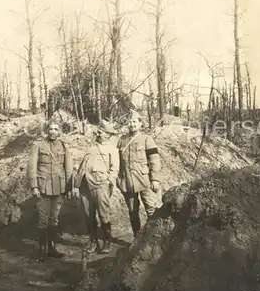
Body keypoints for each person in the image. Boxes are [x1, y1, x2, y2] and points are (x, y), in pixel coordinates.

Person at [27, 122, 73, 261]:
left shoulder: (64, 146)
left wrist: (69, 188)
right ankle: (42, 250)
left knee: (54, 219)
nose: (53, 131)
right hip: (43, 188)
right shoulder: (38, 145)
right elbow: (32, 167)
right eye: (50, 129)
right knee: (43, 220)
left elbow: (68, 168)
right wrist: (34, 186)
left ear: (59, 131)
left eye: (56, 129)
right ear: (46, 130)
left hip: (59, 188)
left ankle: (52, 248)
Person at [74, 120, 119, 254]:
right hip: (85, 184)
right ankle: (92, 241)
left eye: (101, 132)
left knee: (103, 213)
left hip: (100, 184)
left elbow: (115, 169)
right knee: (89, 214)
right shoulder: (91, 147)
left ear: (108, 135)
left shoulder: (112, 149)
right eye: (99, 131)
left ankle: (107, 241)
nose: (98, 133)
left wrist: (108, 181)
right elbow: (83, 165)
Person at [116, 110, 161, 238]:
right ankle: (137, 238)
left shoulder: (147, 139)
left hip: (144, 180)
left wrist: (155, 179)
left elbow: (154, 160)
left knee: (151, 209)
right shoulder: (122, 140)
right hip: (127, 181)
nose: (131, 124)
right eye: (129, 122)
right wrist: (118, 180)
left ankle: (154, 238)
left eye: (134, 122)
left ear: (140, 124)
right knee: (132, 211)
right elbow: (116, 161)